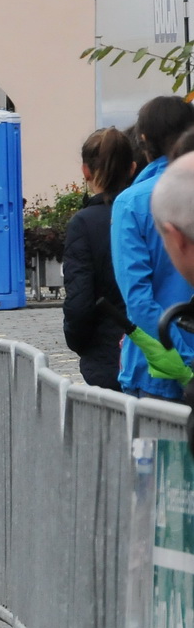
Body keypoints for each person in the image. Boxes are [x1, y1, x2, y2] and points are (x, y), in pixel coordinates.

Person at [115, 96, 194, 401]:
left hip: (156, 366)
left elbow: (137, 298)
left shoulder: (132, 202)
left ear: (143, 140)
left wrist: (183, 356)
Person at [61, 129, 136, 390]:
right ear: (132, 168)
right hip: (154, 345)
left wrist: (79, 342)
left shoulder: (84, 223)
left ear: (86, 171)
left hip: (106, 353)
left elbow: (79, 300)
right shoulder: (149, 210)